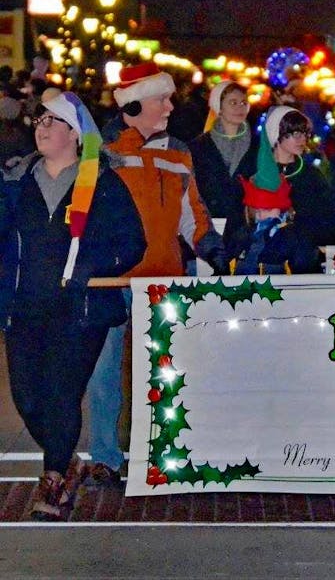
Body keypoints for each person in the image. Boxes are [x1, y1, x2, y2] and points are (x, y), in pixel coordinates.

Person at [0, 91, 145, 519]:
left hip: (80, 311)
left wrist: (90, 268)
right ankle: (67, 461)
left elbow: (133, 243)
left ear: (75, 135)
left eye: (52, 121)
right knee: (27, 397)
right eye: (39, 121)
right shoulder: (16, 183)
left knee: (62, 392)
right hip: (24, 308)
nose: (41, 127)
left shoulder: (102, 182)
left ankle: (54, 482)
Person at [85, 62, 227, 488]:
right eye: (161, 98)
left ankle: (164, 454)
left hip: (163, 280)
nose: (169, 106)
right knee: (104, 371)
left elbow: (192, 213)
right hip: (112, 281)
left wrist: (211, 246)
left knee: (164, 372)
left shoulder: (178, 151)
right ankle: (105, 458)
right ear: (134, 103)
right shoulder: (100, 151)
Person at [261, 106, 335, 252]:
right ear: (277, 133)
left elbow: (330, 220)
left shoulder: (311, 175)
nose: (303, 139)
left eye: (306, 134)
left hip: (302, 258)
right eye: (296, 133)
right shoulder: (257, 173)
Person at [222, 141, 319, 275]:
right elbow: (225, 261)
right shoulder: (243, 234)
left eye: (268, 209)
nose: (262, 215)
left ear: (281, 209)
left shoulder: (293, 237)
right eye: (258, 211)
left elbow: (305, 272)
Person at [189, 80, 258, 221]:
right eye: (233, 103)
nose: (240, 108)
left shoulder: (258, 147)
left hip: (244, 228)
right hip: (208, 225)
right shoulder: (198, 147)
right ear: (219, 107)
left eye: (244, 103)